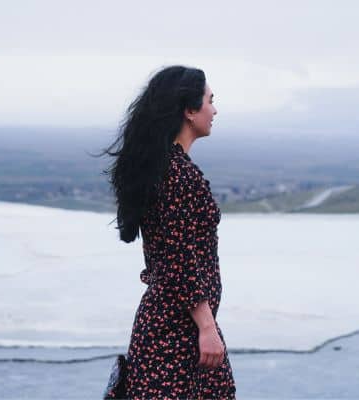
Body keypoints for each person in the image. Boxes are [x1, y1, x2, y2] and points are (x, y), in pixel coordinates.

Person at [97, 65, 236, 399]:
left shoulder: (168, 168)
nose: (214, 110)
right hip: (176, 332)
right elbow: (178, 259)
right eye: (209, 101)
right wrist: (206, 326)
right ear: (189, 111)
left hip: (175, 328)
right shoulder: (177, 175)